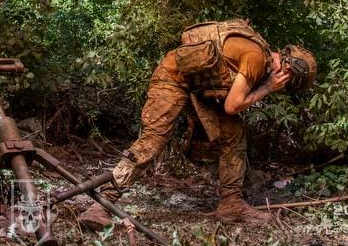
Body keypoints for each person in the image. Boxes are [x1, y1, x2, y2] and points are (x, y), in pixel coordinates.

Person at [79, 19, 316, 229]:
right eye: (286, 85)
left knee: (234, 133)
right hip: (172, 78)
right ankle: (101, 205)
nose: (281, 88)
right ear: (287, 72)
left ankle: (231, 205)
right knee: (152, 141)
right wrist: (267, 88)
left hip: (199, 87)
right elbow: (232, 105)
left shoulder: (261, 55)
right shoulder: (256, 59)